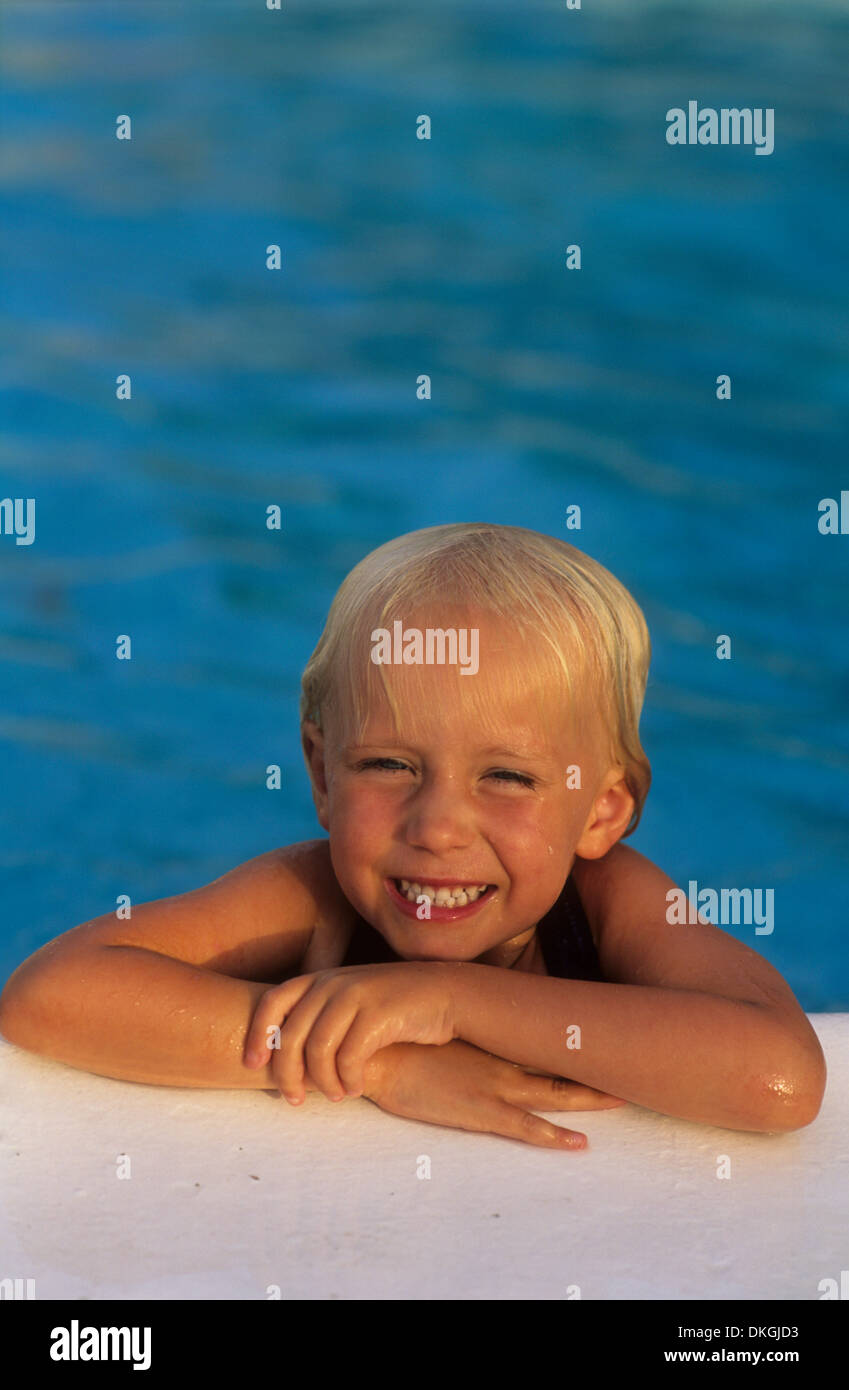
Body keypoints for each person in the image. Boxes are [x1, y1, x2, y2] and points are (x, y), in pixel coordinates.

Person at [0, 523, 826, 1150]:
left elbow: (778, 1078)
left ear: (602, 811)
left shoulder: (611, 908)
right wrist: (378, 1059)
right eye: (390, 764)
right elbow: (53, 992)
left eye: (507, 778)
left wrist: (444, 1001)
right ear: (321, 774)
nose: (435, 827)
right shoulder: (312, 897)